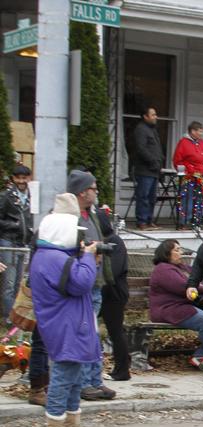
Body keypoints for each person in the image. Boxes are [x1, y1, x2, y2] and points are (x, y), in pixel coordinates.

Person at [30, 193, 101, 427]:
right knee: (64, 372)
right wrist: (88, 257)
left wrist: (83, 257)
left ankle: (72, 423)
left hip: (67, 320)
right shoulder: (56, 259)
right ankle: (54, 426)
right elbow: (82, 283)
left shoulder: (47, 255)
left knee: (74, 373)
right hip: (65, 323)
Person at [67, 170, 116, 402]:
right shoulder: (71, 216)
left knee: (94, 333)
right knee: (85, 333)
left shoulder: (93, 214)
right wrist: (88, 249)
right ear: (82, 191)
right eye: (93, 188)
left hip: (96, 280)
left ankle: (96, 380)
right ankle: (84, 383)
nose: (96, 192)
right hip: (81, 282)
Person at [149, 239, 203, 376]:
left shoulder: (181, 267)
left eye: (180, 249)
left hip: (184, 306)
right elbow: (184, 286)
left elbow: (198, 277)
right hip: (169, 309)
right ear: (166, 253)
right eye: (176, 250)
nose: (180, 253)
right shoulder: (163, 269)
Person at [98, 211, 131, 381]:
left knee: (116, 331)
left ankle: (122, 369)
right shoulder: (102, 241)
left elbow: (115, 270)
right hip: (104, 293)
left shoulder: (115, 241)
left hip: (114, 294)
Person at [0, 164, 32, 322]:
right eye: (18, 178)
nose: (21, 181)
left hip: (23, 244)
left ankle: (17, 318)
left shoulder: (33, 197)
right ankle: (8, 318)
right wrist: (14, 225)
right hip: (9, 242)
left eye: (24, 178)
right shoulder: (6, 196)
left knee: (20, 283)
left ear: (29, 178)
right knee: (9, 283)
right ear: (13, 179)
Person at [172, 121, 203, 227]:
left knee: (199, 200)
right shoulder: (183, 143)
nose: (201, 134)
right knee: (188, 199)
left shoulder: (202, 143)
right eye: (199, 131)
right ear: (192, 131)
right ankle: (185, 222)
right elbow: (178, 161)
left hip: (202, 178)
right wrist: (189, 171)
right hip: (189, 178)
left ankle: (197, 221)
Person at [131, 107, 163, 231]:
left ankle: (149, 220)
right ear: (145, 116)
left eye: (156, 115)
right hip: (144, 169)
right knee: (143, 196)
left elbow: (156, 149)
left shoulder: (152, 130)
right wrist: (152, 161)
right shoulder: (141, 129)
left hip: (154, 170)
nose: (156, 117)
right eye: (153, 115)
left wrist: (159, 161)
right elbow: (141, 149)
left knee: (151, 197)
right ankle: (142, 221)